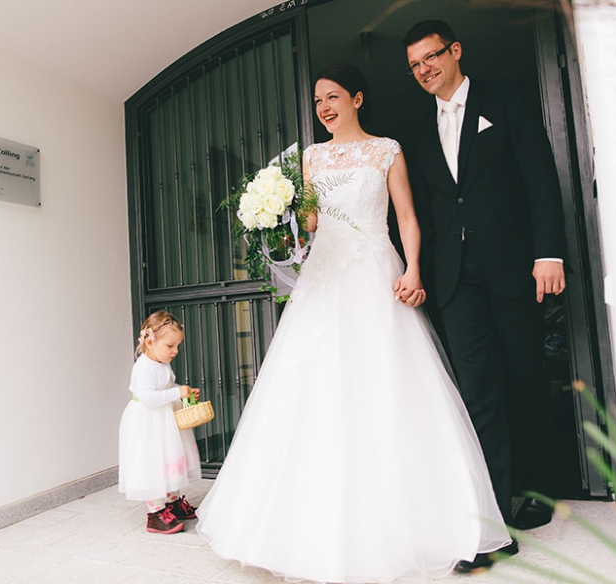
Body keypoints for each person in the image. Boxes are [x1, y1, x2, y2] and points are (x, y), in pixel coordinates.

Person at [196, 64, 511, 583]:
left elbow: (407, 217)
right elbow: (311, 222)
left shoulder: (386, 150)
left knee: (383, 382)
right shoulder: (311, 159)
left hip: (374, 270)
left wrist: (412, 267)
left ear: (358, 98)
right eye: (318, 100)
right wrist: (280, 222)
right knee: (313, 389)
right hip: (324, 277)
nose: (324, 107)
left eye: (333, 96)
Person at [401, 19, 568, 563]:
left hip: (513, 264)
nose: (425, 70)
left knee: (524, 375)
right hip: (455, 277)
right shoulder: (418, 130)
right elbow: (425, 211)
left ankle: (540, 489)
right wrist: (419, 271)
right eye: (415, 66)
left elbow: (540, 176)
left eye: (431, 58)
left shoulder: (506, 98)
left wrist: (548, 252)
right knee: (477, 391)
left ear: (455, 50)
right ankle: (490, 516)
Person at [118, 310, 202, 534]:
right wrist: (176, 394)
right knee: (155, 463)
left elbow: (163, 389)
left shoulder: (161, 363)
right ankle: (155, 513)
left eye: (177, 346)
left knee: (170, 459)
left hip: (164, 420)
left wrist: (181, 391)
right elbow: (148, 397)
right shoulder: (144, 366)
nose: (175, 351)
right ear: (149, 341)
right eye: (170, 346)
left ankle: (173, 503)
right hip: (149, 423)